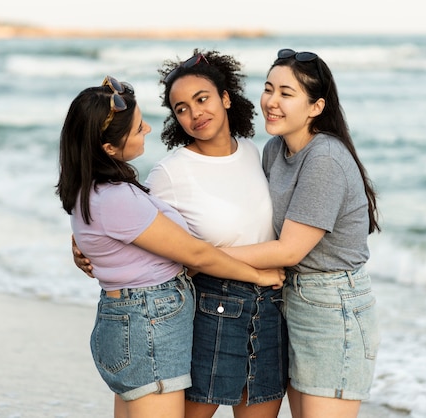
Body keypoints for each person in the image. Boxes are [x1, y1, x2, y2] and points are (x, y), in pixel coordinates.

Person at [72, 50, 288, 418]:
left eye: (202, 99)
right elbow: (124, 223)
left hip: (269, 307)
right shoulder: (170, 173)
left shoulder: (257, 153)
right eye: (181, 108)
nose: (194, 113)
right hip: (210, 309)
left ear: (225, 97)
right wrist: (80, 245)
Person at [222, 49, 382, 418]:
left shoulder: (324, 159)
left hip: (332, 308)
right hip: (288, 300)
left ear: (316, 107)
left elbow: (289, 249)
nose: (271, 102)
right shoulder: (274, 150)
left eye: (286, 93)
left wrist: (201, 256)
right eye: (268, 89)